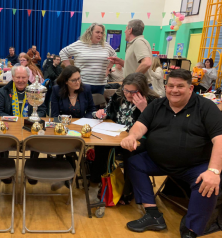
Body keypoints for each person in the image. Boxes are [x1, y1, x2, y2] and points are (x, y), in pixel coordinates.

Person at [120, 69, 222, 237]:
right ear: (165, 87)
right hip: (157, 161)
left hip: (195, 166)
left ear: (190, 89)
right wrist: (132, 136)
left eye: (180, 86)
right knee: (134, 163)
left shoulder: (207, 108)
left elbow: (219, 139)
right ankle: (152, 214)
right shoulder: (157, 105)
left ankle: (191, 231)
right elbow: (140, 124)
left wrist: (214, 171)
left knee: (208, 183)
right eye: (171, 85)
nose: (174, 90)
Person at [90, 73, 159, 204]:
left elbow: (157, 125)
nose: (128, 95)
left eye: (133, 92)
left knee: (130, 151)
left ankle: (127, 191)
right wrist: (100, 114)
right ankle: (101, 181)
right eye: (126, 90)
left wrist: (144, 109)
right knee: (101, 145)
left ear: (142, 90)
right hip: (116, 133)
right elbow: (108, 112)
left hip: (140, 138)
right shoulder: (118, 96)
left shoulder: (152, 100)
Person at [60, 23, 116, 95]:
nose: (100, 35)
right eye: (97, 32)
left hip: (100, 83)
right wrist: (69, 69)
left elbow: (114, 57)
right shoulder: (79, 44)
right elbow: (63, 52)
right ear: (90, 32)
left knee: (97, 105)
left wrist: (108, 69)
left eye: (101, 33)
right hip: (82, 83)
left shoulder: (106, 46)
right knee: (82, 105)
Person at [108, 19, 152, 84]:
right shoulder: (135, 43)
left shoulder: (139, 42)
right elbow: (134, 66)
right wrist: (120, 62)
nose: (124, 31)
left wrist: (132, 80)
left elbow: (147, 63)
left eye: (126, 29)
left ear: (130, 30)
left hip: (137, 86)